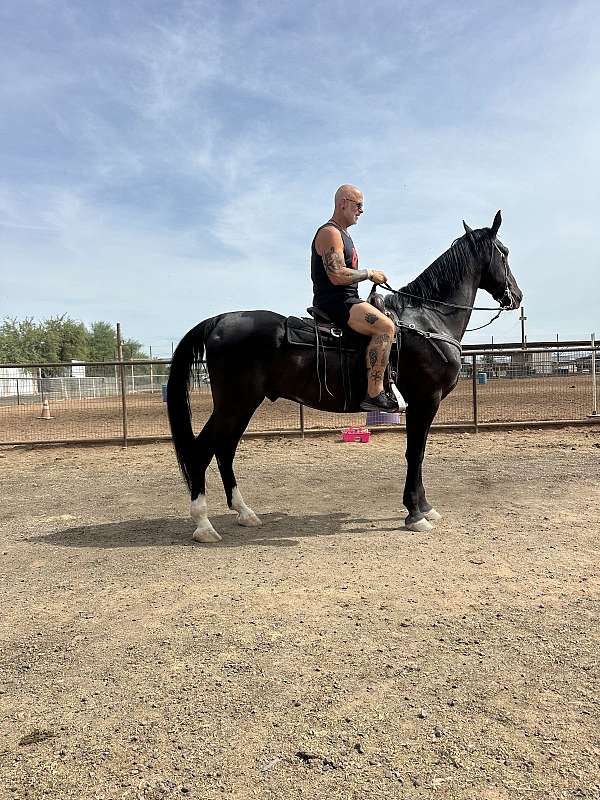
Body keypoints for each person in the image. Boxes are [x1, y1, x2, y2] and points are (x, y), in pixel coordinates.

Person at [310, 184, 398, 412]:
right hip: (337, 303)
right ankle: (375, 392)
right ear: (342, 203)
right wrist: (369, 273)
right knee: (386, 328)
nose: (361, 211)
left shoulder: (344, 234)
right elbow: (337, 274)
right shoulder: (330, 232)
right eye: (358, 205)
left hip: (346, 300)